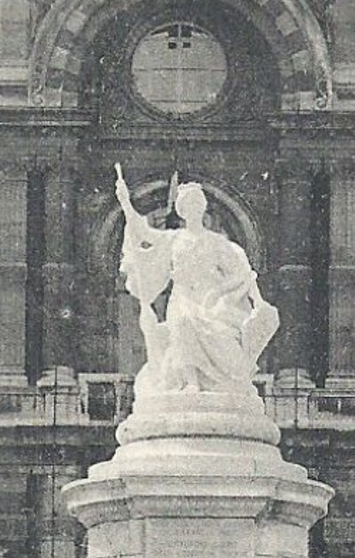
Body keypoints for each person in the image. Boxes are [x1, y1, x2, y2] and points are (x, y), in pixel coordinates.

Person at [115, 166, 278, 399]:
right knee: (183, 321)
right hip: (183, 299)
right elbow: (143, 232)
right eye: (188, 204)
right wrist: (125, 203)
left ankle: (217, 380)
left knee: (216, 332)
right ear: (182, 210)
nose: (193, 207)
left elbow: (241, 276)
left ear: (201, 208)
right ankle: (191, 382)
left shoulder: (217, 243)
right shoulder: (175, 239)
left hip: (212, 304)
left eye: (196, 203)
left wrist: (217, 294)